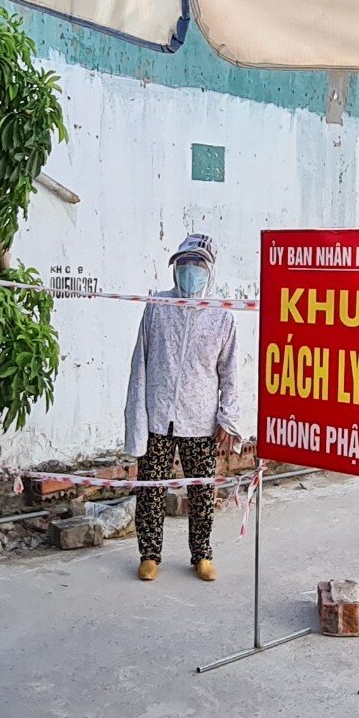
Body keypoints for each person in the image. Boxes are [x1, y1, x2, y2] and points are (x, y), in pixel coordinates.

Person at [123, 233, 249, 581]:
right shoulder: (158, 307)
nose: (189, 271)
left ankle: (202, 555)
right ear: (175, 268)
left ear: (209, 271)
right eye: (184, 264)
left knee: (203, 491)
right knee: (150, 489)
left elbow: (230, 373)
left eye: (197, 264)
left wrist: (228, 418)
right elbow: (141, 364)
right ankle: (149, 554)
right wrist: (137, 416)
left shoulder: (221, 317)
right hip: (159, 415)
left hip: (201, 418)